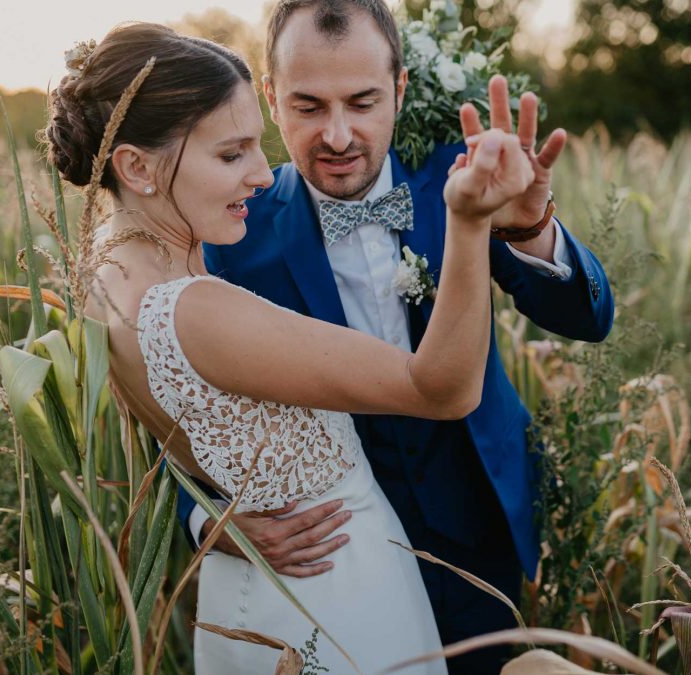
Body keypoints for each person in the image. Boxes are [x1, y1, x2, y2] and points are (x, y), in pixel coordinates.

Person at [45, 21, 535, 675]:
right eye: (231, 154)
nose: (260, 172)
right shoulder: (204, 301)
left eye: (256, 146)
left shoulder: (107, 280)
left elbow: (186, 423)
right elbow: (439, 386)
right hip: (334, 599)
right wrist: (469, 222)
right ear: (135, 165)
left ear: (398, 89)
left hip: (260, 599)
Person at [178, 0, 615, 672]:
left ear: (400, 89)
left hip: (475, 518)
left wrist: (530, 227)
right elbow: (184, 397)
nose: (338, 134)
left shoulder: (462, 177)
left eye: (362, 101)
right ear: (270, 99)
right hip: (335, 549)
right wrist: (210, 519)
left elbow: (588, 320)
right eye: (308, 106)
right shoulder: (236, 230)